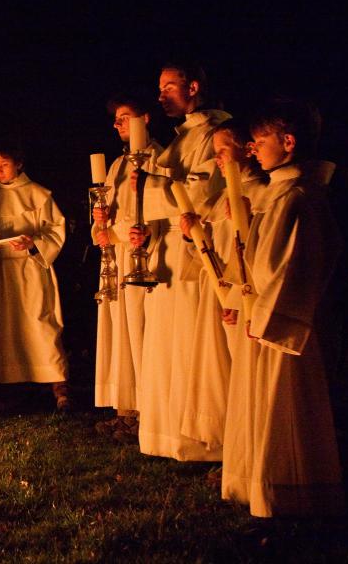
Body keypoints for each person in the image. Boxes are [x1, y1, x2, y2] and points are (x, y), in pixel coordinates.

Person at [221, 99, 344, 517]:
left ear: (288, 142)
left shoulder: (299, 197)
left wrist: (266, 315)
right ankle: (261, 485)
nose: (252, 149)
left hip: (286, 327)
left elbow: (290, 267)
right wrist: (242, 300)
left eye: (259, 141)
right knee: (263, 403)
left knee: (286, 405)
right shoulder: (281, 193)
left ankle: (291, 493)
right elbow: (258, 259)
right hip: (263, 317)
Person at [131, 62, 230, 461]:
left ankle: (199, 438)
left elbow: (205, 192)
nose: (161, 96)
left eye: (169, 87)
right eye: (159, 89)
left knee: (190, 345)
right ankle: (166, 434)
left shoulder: (215, 133)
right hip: (167, 252)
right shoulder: (180, 138)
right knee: (165, 344)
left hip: (193, 250)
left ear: (193, 86)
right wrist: (149, 230)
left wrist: (150, 185)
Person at [177, 118, 268, 451]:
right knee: (218, 369)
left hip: (241, 299)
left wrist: (233, 298)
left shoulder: (261, 192)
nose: (217, 158)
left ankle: (245, 447)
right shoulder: (220, 197)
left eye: (222, 150)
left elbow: (248, 251)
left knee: (242, 375)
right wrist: (192, 234)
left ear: (247, 149)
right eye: (214, 151)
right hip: (216, 295)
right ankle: (224, 444)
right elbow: (211, 247)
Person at [0, 146, 70, 411]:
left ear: (19, 164)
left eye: (4, 164)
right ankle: (6, 386)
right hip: (0, 271)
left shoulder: (39, 195)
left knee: (40, 323)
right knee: (4, 328)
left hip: (30, 268)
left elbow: (55, 230)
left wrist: (33, 243)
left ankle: (58, 386)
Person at [93, 97, 164, 442]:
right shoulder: (118, 164)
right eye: (116, 119)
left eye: (125, 118)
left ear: (145, 118)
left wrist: (135, 231)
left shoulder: (159, 158)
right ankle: (126, 409)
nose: (118, 124)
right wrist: (101, 222)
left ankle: (148, 411)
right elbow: (113, 207)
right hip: (118, 257)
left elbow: (158, 210)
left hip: (142, 258)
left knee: (140, 332)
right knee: (119, 331)